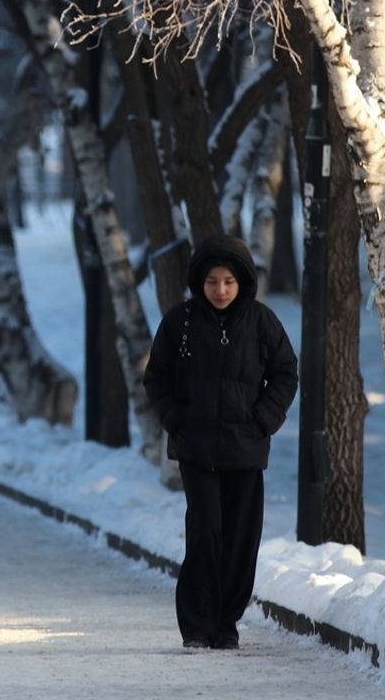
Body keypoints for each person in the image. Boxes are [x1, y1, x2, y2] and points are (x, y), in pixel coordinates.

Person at [142, 234, 298, 651]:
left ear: (241, 281)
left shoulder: (262, 322)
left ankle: (226, 621)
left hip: (245, 450)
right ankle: (196, 624)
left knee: (240, 539)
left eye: (228, 281)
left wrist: (263, 419)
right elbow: (156, 377)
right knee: (206, 532)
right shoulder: (181, 322)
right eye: (212, 281)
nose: (221, 290)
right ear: (200, 282)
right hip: (196, 450)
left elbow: (285, 373)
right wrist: (176, 420)